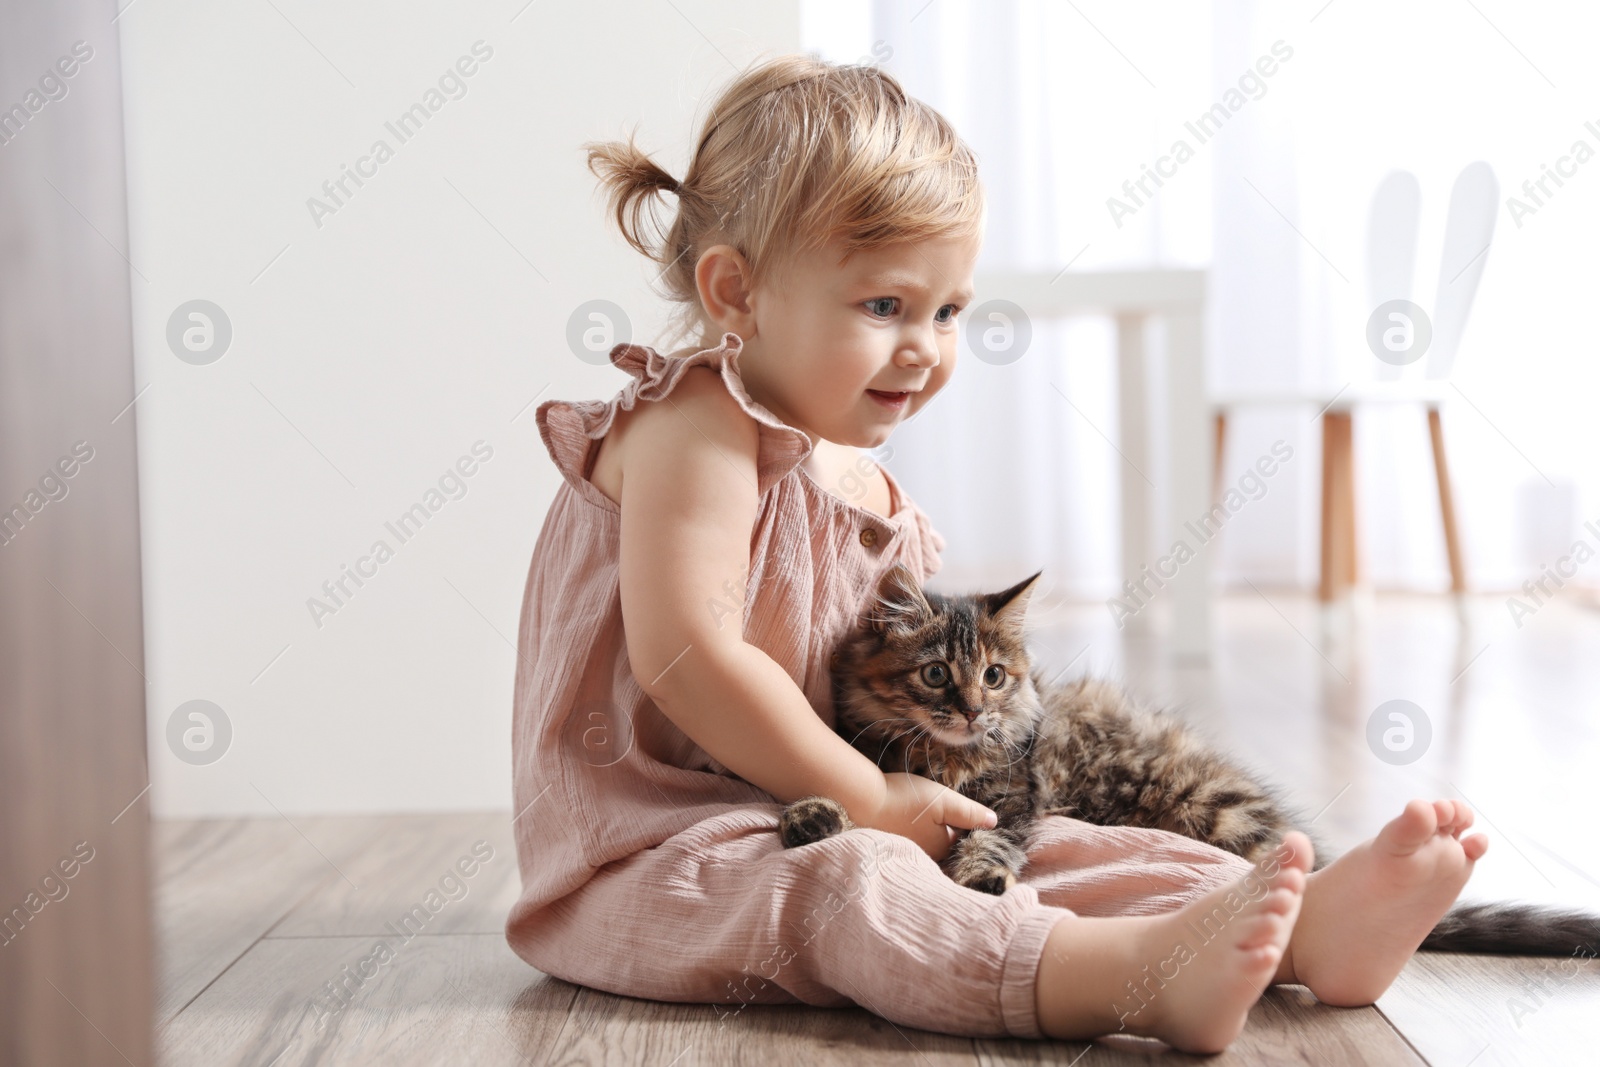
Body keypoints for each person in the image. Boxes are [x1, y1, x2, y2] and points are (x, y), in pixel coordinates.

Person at [504, 53, 1487, 1053]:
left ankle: (1299, 924)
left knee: (1049, 846)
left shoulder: (869, 490)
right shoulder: (696, 426)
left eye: (948, 311)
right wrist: (873, 797)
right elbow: (687, 657)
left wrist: (917, 797)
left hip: (817, 808)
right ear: (736, 293)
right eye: (884, 306)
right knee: (846, 883)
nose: (925, 344)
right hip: (661, 848)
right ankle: (1124, 982)